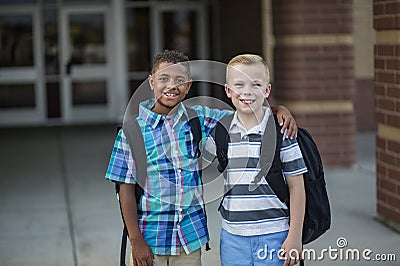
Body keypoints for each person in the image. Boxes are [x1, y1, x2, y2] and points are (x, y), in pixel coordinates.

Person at [105, 50, 297, 266]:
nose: (171, 85)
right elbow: (125, 189)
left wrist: (277, 109)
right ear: (151, 82)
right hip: (149, 239)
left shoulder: (200, 119)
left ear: (188, 87)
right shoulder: (132, 132)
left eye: (179, 80)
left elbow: (244, 111)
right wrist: (136, 239)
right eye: (163, 79)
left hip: (189, 240)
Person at [211, 54, 307, 266]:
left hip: (275, 235)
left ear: (267, 90)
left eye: (256, 84)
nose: (247, 91)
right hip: (233, 238)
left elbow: (297, 187)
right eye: (239, 85)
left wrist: (295, 237)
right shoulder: (221, 130)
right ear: (228, 91)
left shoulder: (281, 132)